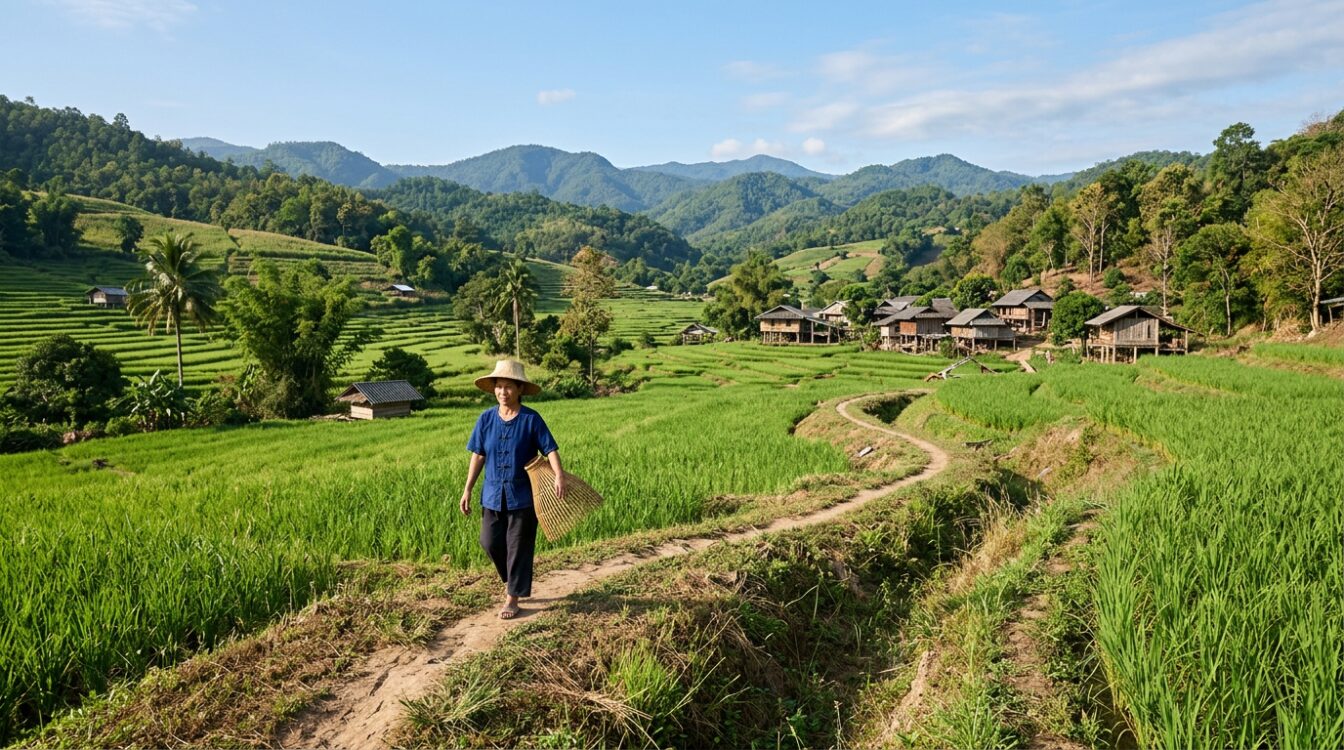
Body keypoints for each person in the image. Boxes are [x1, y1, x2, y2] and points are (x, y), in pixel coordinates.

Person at [459, 360, 565, 619]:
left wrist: (559, 475)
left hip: (523, 497)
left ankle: (512, 598)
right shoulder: (485, 419)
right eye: (498, 387)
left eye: (508, 387)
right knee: (489, 541)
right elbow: (478, 455)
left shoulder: (531, 419)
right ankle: (514, 580)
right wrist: (468, 489)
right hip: (493, 495)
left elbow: (549, 448)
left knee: (518, 546)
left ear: (519, 389)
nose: (502, 392)